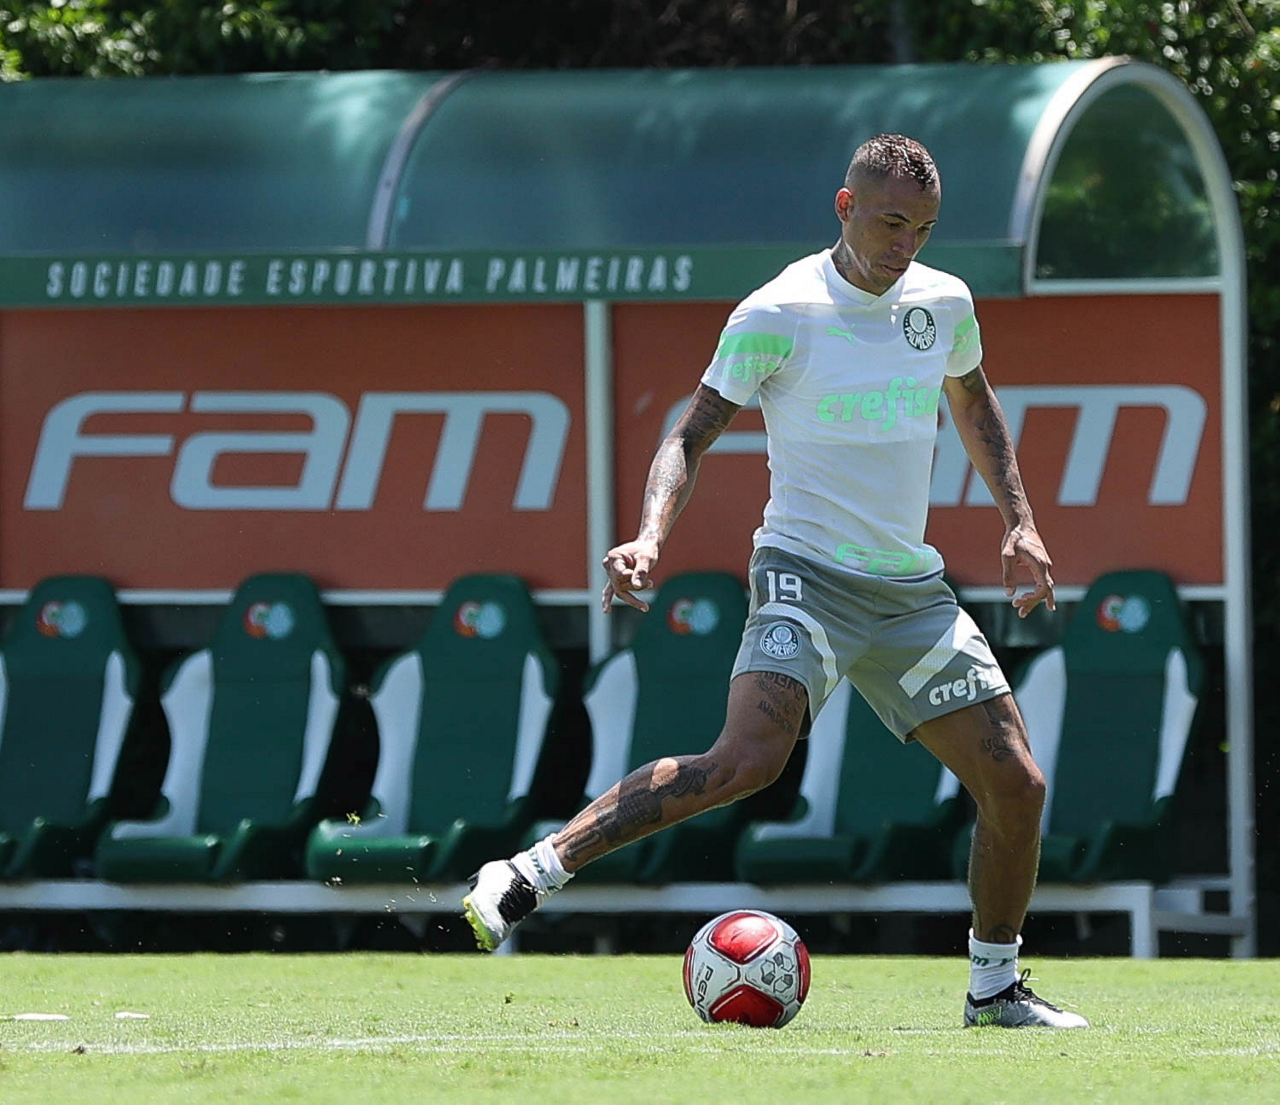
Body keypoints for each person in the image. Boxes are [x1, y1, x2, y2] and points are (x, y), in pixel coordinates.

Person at [463, 133, 1087, 1029]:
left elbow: (973, 397)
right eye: (891, 222)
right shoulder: (778, 311)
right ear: (845, 206)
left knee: (1018, 785)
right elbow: (689, 434)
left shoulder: (944, 302)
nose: (906, 243)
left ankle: (994, 988)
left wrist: (1020, 522)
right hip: (803, 575)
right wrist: (648, 536)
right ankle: (530, 870)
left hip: (909, 593)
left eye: (923, 228)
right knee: (747, 761)